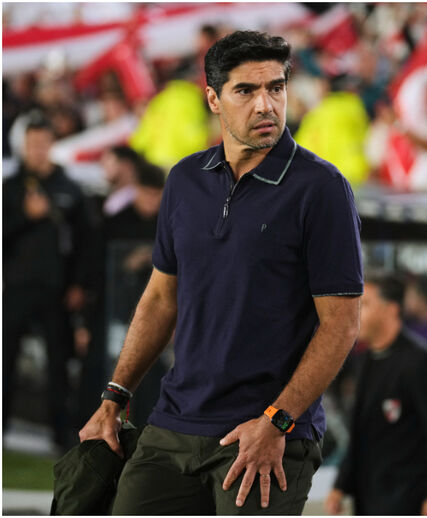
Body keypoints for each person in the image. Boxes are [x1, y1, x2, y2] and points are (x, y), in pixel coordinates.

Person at [78, 30, 364, 514]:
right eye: (246, 91)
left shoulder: (322, 189)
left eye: (276, 88)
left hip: (267, 433)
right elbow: (160, 299)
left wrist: (276, 422)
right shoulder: (184, 180)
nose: (265, 105)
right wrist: (114, 397)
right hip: (174, 422)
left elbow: (341, 324)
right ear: (213, 99)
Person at [325, 276, 427, 516]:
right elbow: (360, 434)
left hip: (410, 498)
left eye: (365, 305)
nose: (355, 313)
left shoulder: (422, 363)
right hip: (370, 498)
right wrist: (341, 485)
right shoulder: (364, 363)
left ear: (391, 309)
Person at [3, 114, 93, 450]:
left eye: (43, 143)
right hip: (16, 287)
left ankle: (60, 434)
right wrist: (26, 217)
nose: (37, 150)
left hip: (57, 289)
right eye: (32, 144)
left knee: (59, 363)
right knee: (5, 358)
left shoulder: (69, 188)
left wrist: (79, 284)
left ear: (52, 144)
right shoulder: (10, 187)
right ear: (24, 146)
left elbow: (85, 242)